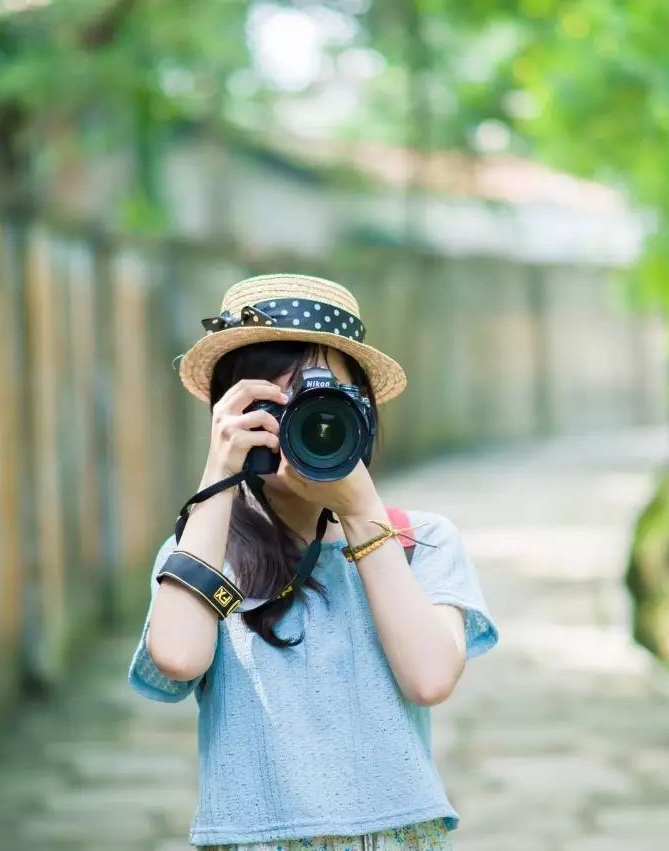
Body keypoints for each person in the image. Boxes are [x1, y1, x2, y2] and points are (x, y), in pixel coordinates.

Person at [128, 273, 499, 850]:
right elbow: (177, 657)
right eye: (276, 404)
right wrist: (217, 479)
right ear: (233, 414)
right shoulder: (203, 551)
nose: (305, 422)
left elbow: (429, 678)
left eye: (324, 402)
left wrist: (360, 511)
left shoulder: (419, 540)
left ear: (364, 415)